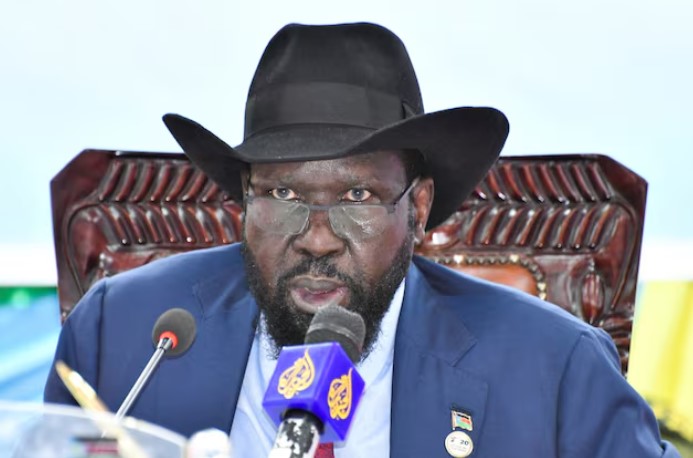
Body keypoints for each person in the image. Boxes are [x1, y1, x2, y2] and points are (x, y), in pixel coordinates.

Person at [44, 22, 679, 457]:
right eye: (285, 195)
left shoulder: (553, 366)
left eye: (357, 197)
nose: (317, 239)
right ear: (243, 202)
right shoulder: (122, 333)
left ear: (419, 206)